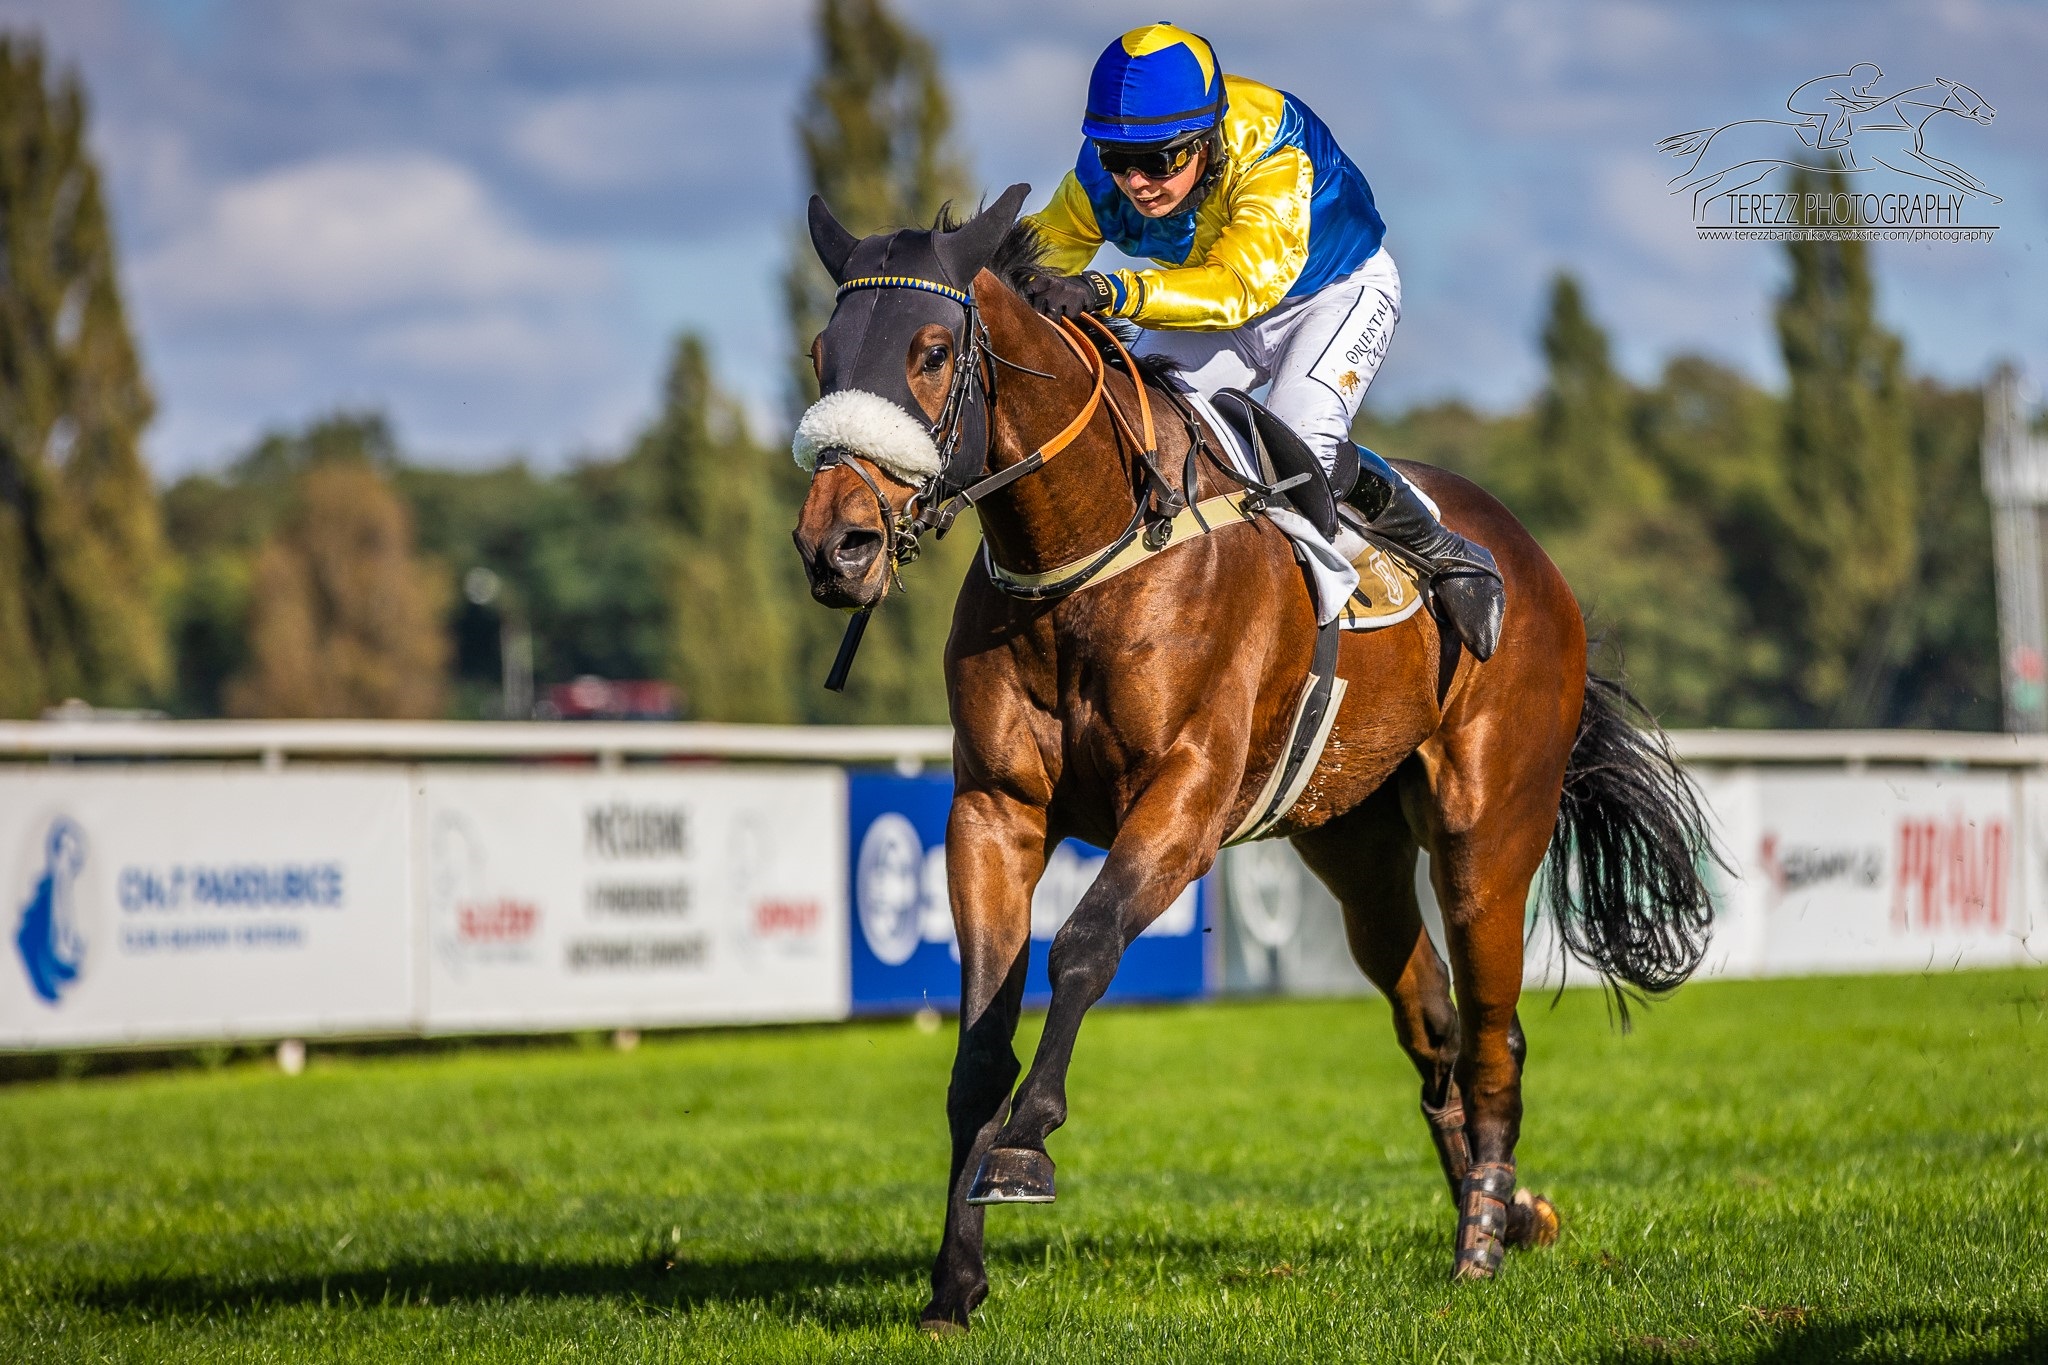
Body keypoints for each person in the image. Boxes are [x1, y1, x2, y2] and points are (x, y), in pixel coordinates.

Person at [1018, 23, 1503, 659]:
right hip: (1219, 304)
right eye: (1118, 158)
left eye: (1159, 159)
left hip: (1334, 292)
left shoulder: (1272, 148)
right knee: (1134, 431)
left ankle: (1442, 549)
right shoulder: (1099, 183)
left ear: (1206, 138)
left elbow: (1240, 289)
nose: (1135, 183)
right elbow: (1028, 260)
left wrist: (1109, 293)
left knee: (1300, 434)